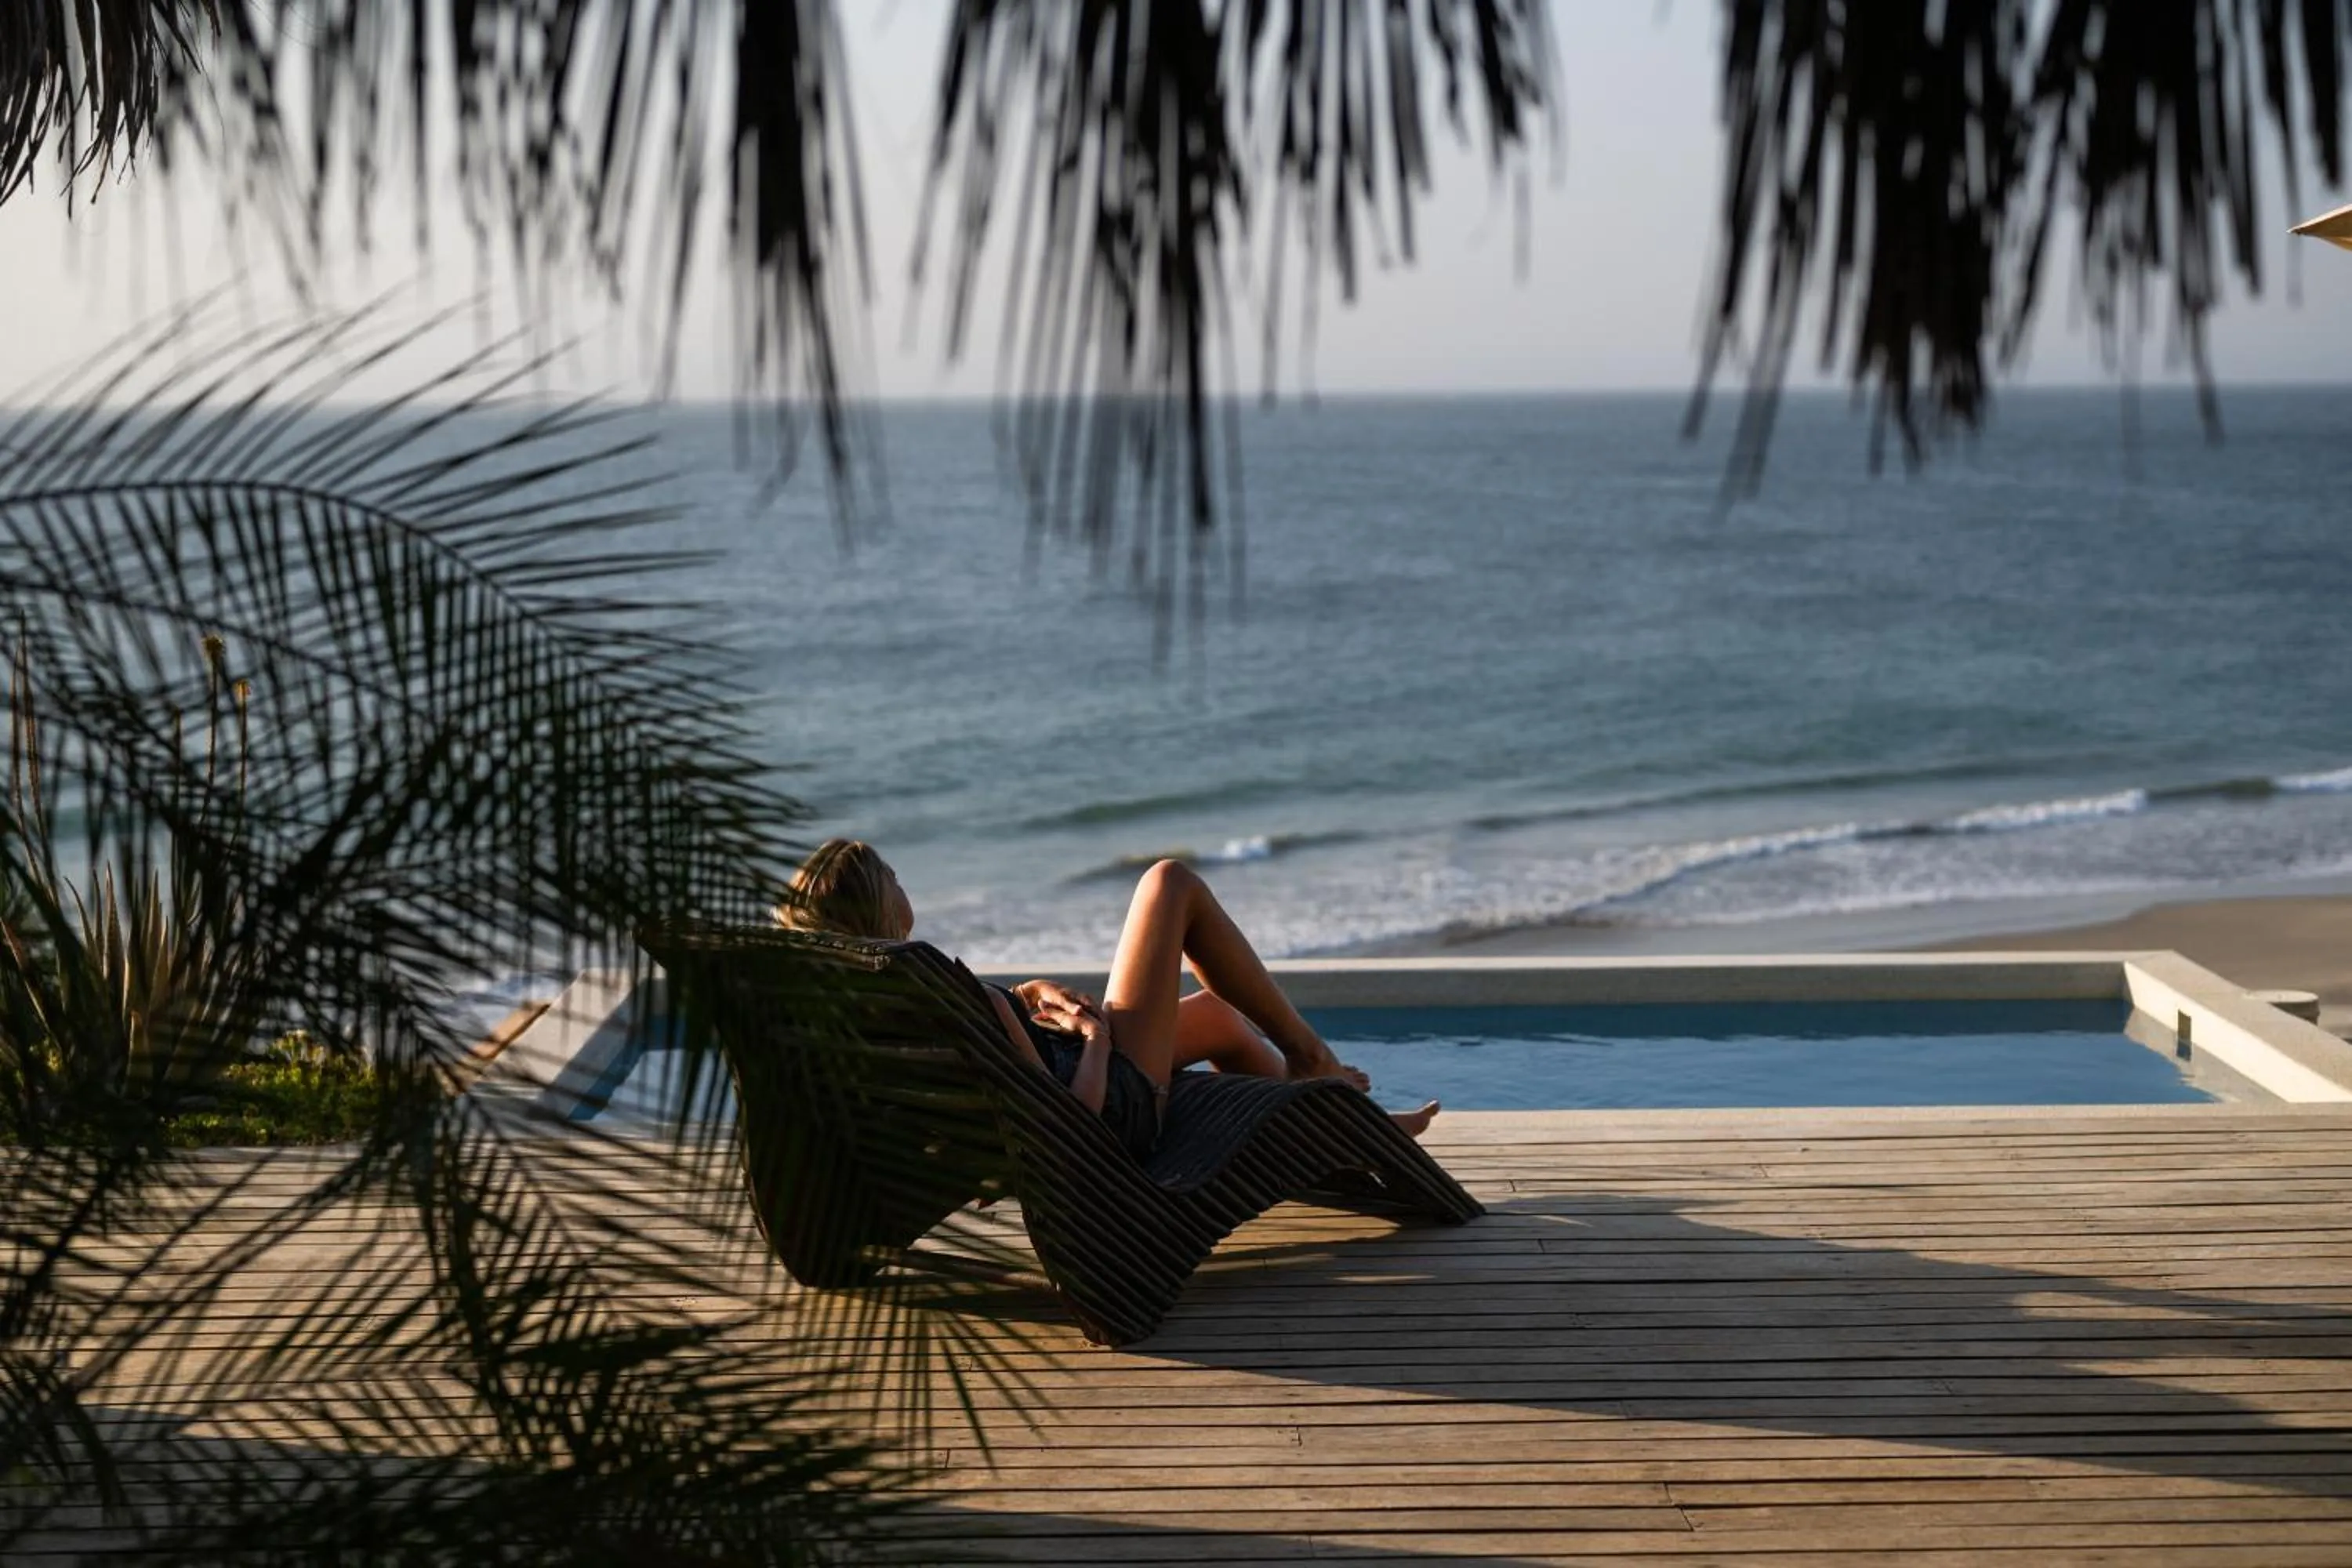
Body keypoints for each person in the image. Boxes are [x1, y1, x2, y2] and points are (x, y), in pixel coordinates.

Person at [777, 838, 1439, 1160]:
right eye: (891, 875)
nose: (901, 881)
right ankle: (1313, 1061)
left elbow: (996, 1055)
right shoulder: (936, 984)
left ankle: (1359, 1132)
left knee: (1217, 1015)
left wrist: (1035, 997)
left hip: (1072, 1067)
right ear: (880, 906)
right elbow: (1068, 1120)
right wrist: (1092, 1038)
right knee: (1168, 882)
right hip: (1117, 1103)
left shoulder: (873, 1002)